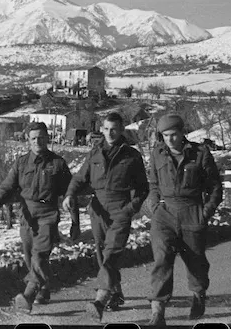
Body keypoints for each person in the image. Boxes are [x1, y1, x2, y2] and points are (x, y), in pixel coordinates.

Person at [63, 112, 149, 322]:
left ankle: (100, 300)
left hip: (121, 207)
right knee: (102, 253)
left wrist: (130, 209)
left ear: (121, 130)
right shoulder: (95, 153)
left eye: (114, 129)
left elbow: (143, 188)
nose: (110, 133)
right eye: (106, 128)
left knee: (111, 252)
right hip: (98, 208)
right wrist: (69, 194)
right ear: (101, 129)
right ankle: (115, 293)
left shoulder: (132, 156)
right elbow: (80, 177)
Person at [0, 121, 73, 313]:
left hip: (48, 214)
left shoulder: (58, 163)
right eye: (33, 138)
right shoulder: (21, 162)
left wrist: (74, 217)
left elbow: (70, 190)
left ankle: (28, 294)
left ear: (47, 138)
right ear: (28, 140)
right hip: (26, 215)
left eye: (41, 137)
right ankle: (43, 288)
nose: (38, 141)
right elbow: (7, 185)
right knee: (29, 256)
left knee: (40, 255)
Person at [146, 113, 222, 325]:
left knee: (195, 261)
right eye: (165, 135)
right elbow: (153, 184)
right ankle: (158, 312)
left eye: (173, 135)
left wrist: (205, 212)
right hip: (165, 213)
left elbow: (215, 188)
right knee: (161, 259)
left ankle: (198, 294)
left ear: (182, 133)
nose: (169, 140)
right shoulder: (158, 153)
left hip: (191, 211)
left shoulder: (200, 154)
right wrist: (154, 206)